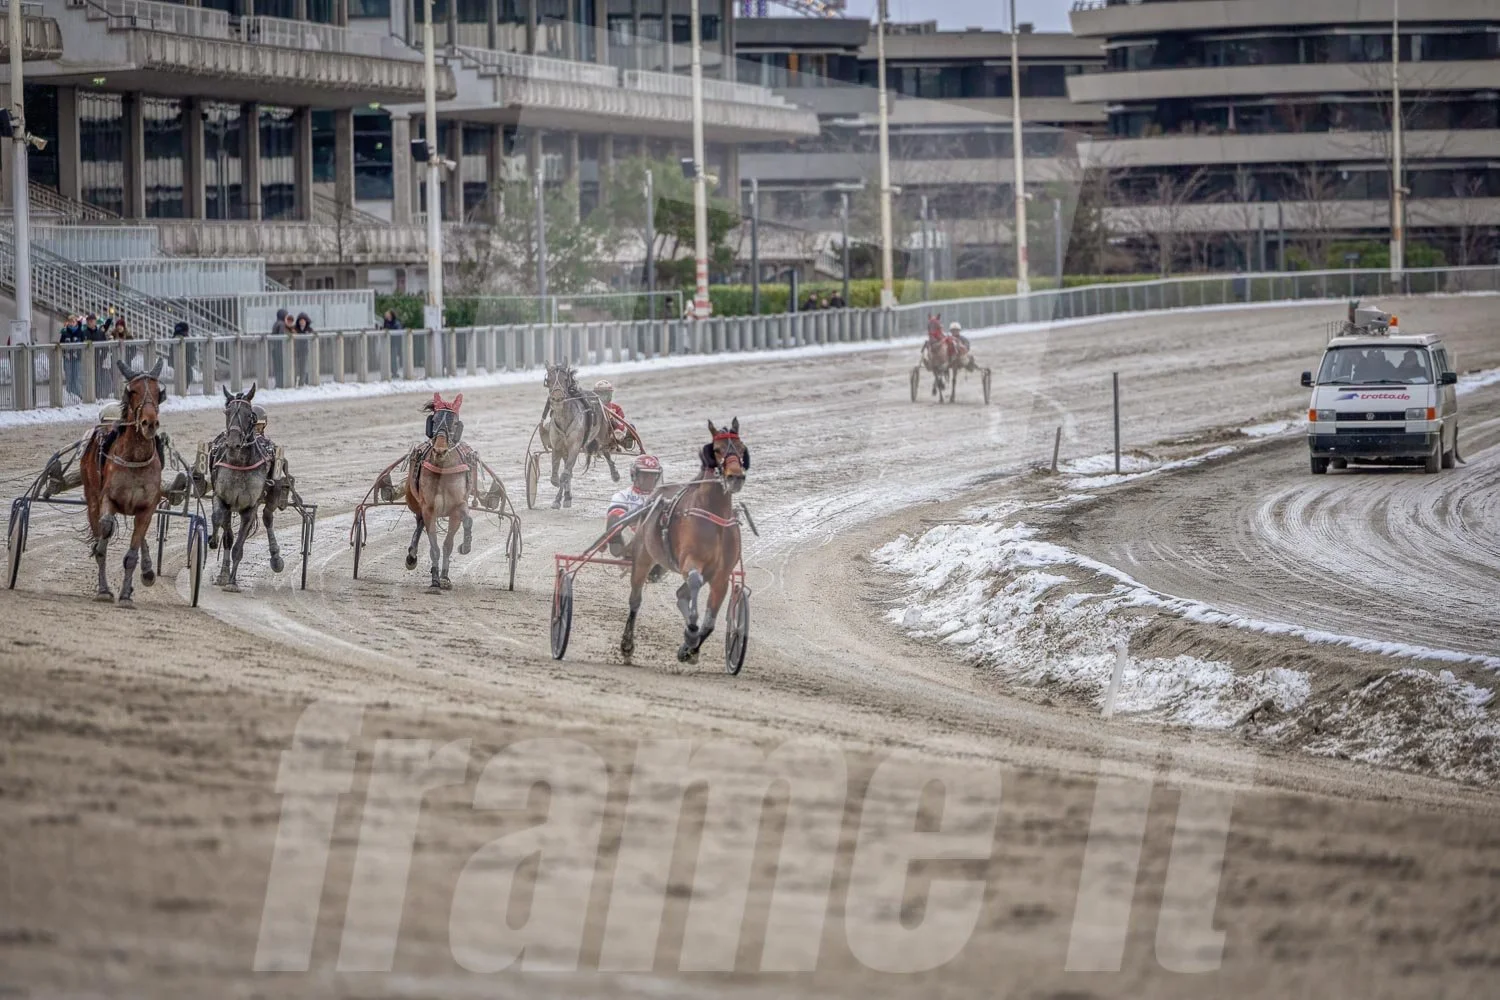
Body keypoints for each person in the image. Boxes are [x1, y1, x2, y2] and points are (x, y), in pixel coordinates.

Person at [605, 454, 662, 558]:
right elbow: (616, 519)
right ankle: (625, 551)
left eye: (653, 475)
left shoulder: (663, 496)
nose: (650, 479)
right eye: (645, 475)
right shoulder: (621, 496)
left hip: (658, 540)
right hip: (632, 539)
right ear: (634, 475)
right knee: (616, 521)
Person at [593, 379, 635, 448]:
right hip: (595, 435)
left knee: (631, 427)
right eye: (601, 394)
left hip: (613, 434)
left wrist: (612, 420)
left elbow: (621, 423)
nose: (604, 397)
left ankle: (625, 441)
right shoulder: (592, 408)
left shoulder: (616, 408)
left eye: (607, 394)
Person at [59, 315, 85, 398]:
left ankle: (78, 394)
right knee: (69, 376)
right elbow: (61, 343)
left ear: (76, 322)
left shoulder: (80, 332)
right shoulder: (65, 332)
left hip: (77, 358)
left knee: (77, 376)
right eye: (70, 321)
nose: (72, 323)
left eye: (73, 321)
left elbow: (83, 343)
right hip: (67, 358)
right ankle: (69, 394)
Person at [293, 312, 313, 386]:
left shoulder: (309, 329)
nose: (302, 322)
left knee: (304, 367)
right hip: (297, 351)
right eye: (300, 321)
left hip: (305, 351)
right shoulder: (295, 329)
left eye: (303, 321)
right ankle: (295, 382)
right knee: (296, 367)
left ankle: (302, 382)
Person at [383, 308, 404, 376]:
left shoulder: (396, 323)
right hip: (387, 343)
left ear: (391, 315)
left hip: (394, 343)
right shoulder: (386, 322)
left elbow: (398, 331)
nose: (386, 315)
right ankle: (389, 371)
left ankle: (394, 372)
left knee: (393, 358)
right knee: (388, 357)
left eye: (387, 314)